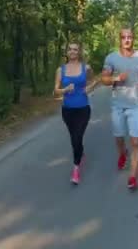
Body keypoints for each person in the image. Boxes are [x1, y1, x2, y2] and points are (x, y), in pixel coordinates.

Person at [101, 28, 138, 190]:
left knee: (135, 141)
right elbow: (104, 79)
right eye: (123, 37)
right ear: (120, 39)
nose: (127, 40)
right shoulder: (111, 58)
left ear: (133, 39)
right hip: (118, 105)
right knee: (119, 138)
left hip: (136, 105)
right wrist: (116, 78)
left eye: (129, 37)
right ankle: (122, 153)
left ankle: (132, 176)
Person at [54, 42, 96, 185]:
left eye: (75, 49)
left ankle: (76, 169)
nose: (73, 52)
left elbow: (94, 81)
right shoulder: (61, 70)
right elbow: (55, 91)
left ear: (79, 52)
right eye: (70, 49)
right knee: (74, 138)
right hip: (67, 110)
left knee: (77, 137)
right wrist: (64, 90)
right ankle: (80, 152)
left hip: (83, 108)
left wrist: (89, 88)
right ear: (67, 52)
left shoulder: (87, 68)